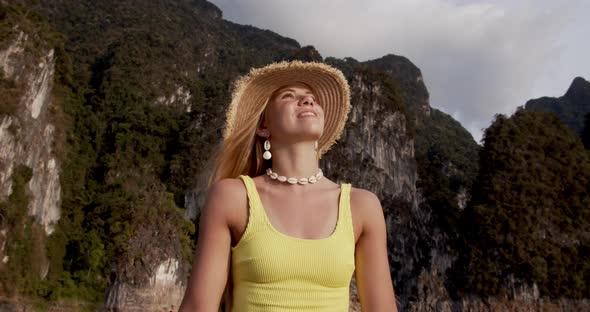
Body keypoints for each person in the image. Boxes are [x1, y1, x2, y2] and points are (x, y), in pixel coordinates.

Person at [179, 61, 397, 311]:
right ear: (264, 126)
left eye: (313, 98)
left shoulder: (362, 206)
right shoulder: (233, 197)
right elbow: (198, 306)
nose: (308, 102)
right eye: (289, 96)